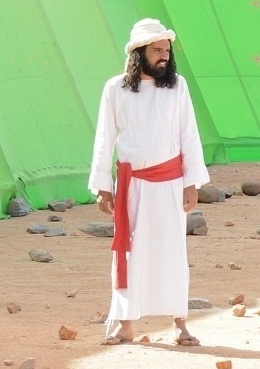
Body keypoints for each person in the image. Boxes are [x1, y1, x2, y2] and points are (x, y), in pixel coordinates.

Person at [90, 18, 210, 346]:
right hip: (133, 187)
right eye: (157, 50)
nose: (164, 57)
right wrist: (103, 186)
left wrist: (191, 182)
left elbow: (189, 134)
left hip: (170, 184)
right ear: (139, 52)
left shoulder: (178, 86)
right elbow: (104, 139)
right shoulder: (115, 89)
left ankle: (180, 324)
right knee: (130, 254)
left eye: (167, 51)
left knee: (172, 253)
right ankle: (126, 325)